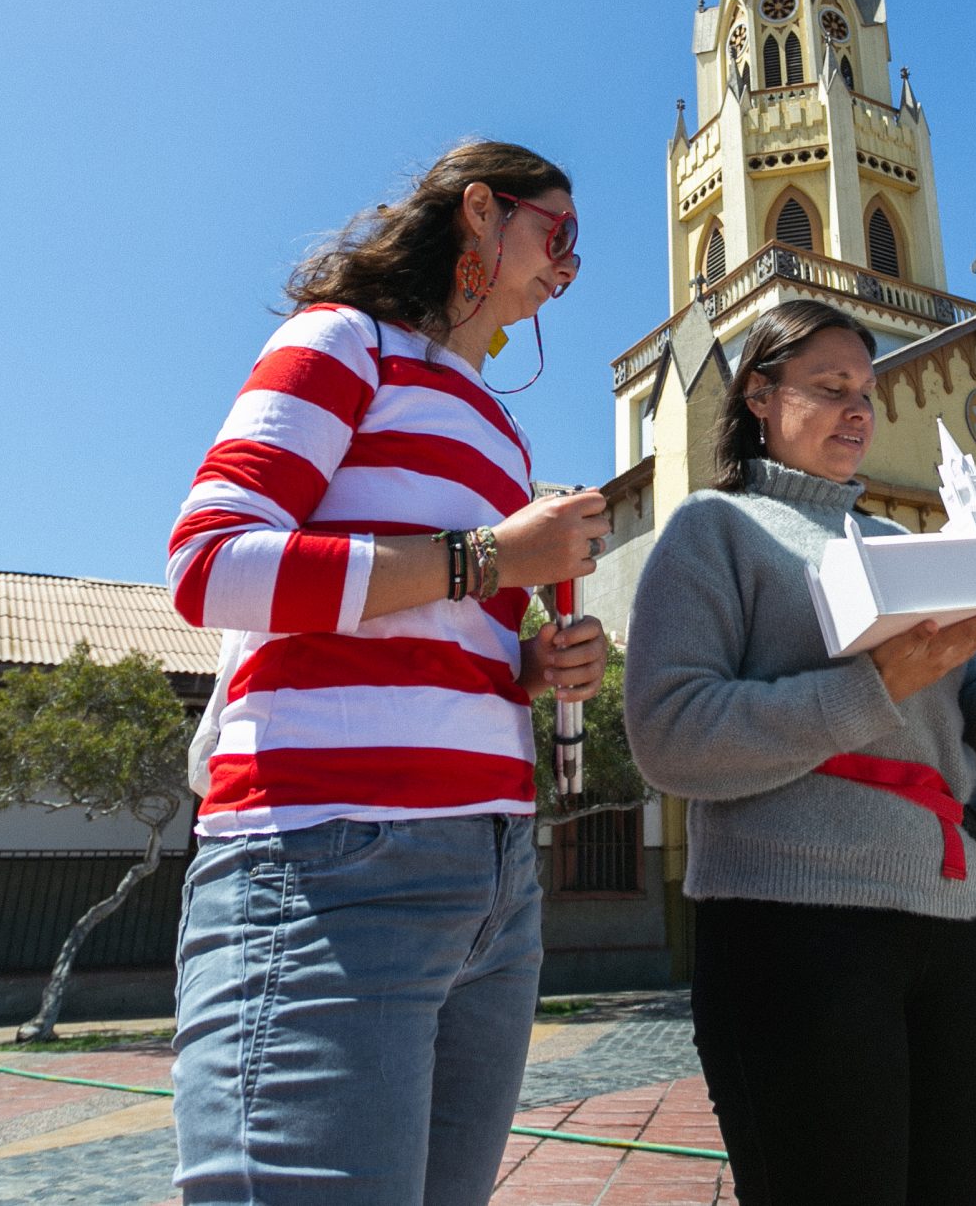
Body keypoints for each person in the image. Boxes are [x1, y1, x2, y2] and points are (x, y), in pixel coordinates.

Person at [166, 139, 613, 1205]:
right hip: (330, 855)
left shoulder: (501, 429)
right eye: (558, 236)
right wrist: (497, 556)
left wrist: (532, 664)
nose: (566, 269)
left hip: (495, 882)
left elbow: (446, 627)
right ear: (479, 214)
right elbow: (211, 563)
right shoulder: (342, 342)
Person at [623, 300, 976, 1206]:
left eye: (869, 392)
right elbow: (670, 736)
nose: (859, 410)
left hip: (952, 930)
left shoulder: (903, 547)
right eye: (832, 387)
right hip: (793, 928)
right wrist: (870, 686)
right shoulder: (715, 530)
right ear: (760, 395)